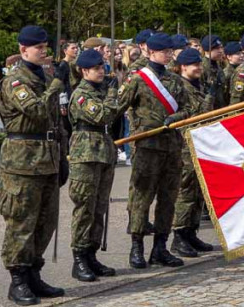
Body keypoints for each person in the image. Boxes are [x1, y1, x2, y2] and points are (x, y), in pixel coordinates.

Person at [0, 26, 67, 306]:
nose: (43, 50)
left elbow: (55, 122)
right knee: (21, 222)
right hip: (22, 161)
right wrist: (56, 86)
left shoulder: (45, 76)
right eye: (37, 47)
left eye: (45, 46)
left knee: (45, 222)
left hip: (47, 158)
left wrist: (62, 158)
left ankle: (34, 273)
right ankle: (18, 279)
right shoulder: (15, 81)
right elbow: (37, 112)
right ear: (23, 49)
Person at [115, 32, 190, 269]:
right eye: (164, 51)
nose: (168, 55)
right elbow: (118, 106)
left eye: (170, 51)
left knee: (168, 199)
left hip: (171, 147)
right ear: (152, 52)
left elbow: (189, 108)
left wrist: (176, 117)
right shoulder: (137, 79)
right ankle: (136, 247)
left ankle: (160, 247)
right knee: (141, 198)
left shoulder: (176, 81)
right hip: (147, 147)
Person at [67, 48, 120, 282]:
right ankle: (79, 257)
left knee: (99, 208)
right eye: (97, 68)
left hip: (104, 151)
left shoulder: (101, 91)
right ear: (84, 71)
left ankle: (92, 254)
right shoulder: (82, 95)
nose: (101, 71)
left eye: (102, 67)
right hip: (86, 153)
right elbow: (103, 116)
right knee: (85, 207)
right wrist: (111, 93)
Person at [169, 48, 216, 258]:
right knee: (185, 191)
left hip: (201, 142)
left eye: (199, 64)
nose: (198, 68)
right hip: (185, 144)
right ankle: (179, 236)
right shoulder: (179, 86)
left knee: (198, 190)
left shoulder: (199, 85)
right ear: (183, 67)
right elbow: (192, 113)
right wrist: (208, 99)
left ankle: (191, 232)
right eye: (193, 65)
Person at [199, 35, 226, 108]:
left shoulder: (218, 67)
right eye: (217, 48)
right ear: (207, 50)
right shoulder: (201, 68)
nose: (221, 51)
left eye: (221, 47)